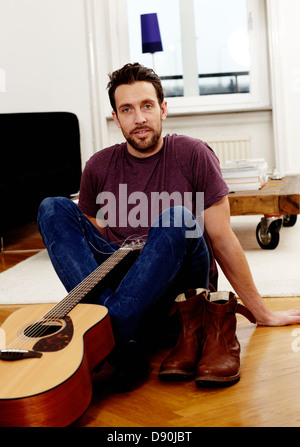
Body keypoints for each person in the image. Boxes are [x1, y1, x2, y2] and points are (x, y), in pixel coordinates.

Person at [38, 63, 300, 391]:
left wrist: (262, 312)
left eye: (147, 106)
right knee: (52, 207)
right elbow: (87, 255)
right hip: (127, 281)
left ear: (163, 109)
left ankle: (106, 335)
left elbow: (223, 239)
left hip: (179, 288)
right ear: (116, 119)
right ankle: (120, 335)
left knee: (176, 217)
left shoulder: (193, 153)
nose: (140, 118)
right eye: (127, 110)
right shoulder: (99, 166)